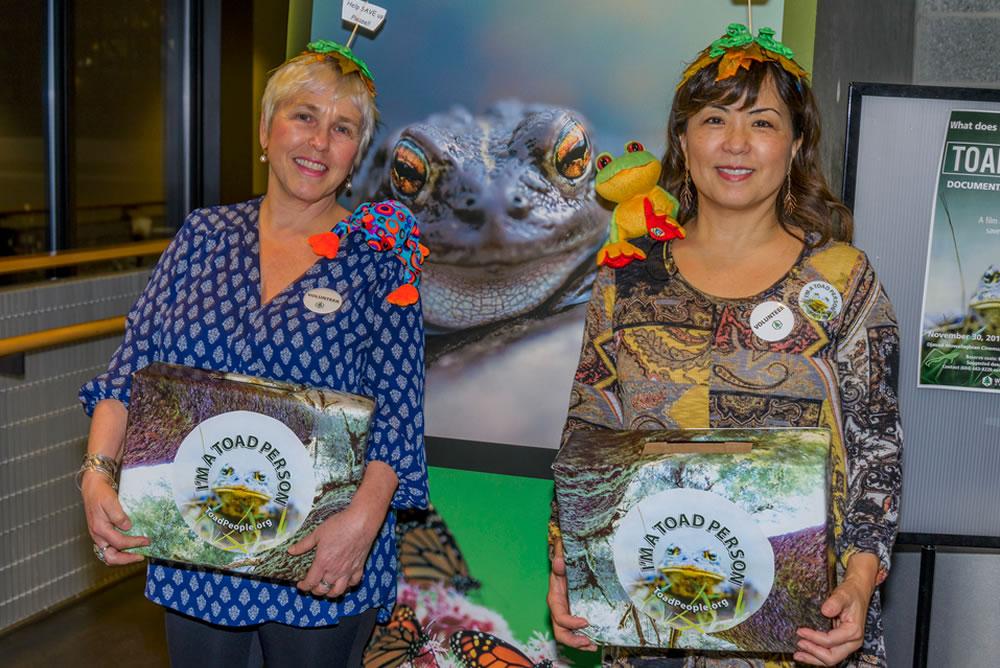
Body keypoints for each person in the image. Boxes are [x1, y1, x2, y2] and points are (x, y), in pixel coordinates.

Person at [547, 25, 902, 668]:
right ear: (683, 141)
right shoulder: (628, 278)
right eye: (715, 119)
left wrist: (859, 579)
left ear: (794, 145)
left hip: (803, 633)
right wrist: (568, 559)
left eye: (763, 123)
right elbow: (588, 429)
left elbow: (877, 446)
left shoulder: (844, 280)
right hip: (652, 621)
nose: (737, 144)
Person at [78, 40, 428, 667]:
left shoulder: (381, 256)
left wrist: (363, 525)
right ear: (267, 129)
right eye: (303, 115)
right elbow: (131, 371)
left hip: (320, 557)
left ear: (357, 156)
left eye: (342, 128)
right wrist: (98, 473)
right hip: (198, 553)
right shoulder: (202, 237)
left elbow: (399, 411)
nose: (319, 141)